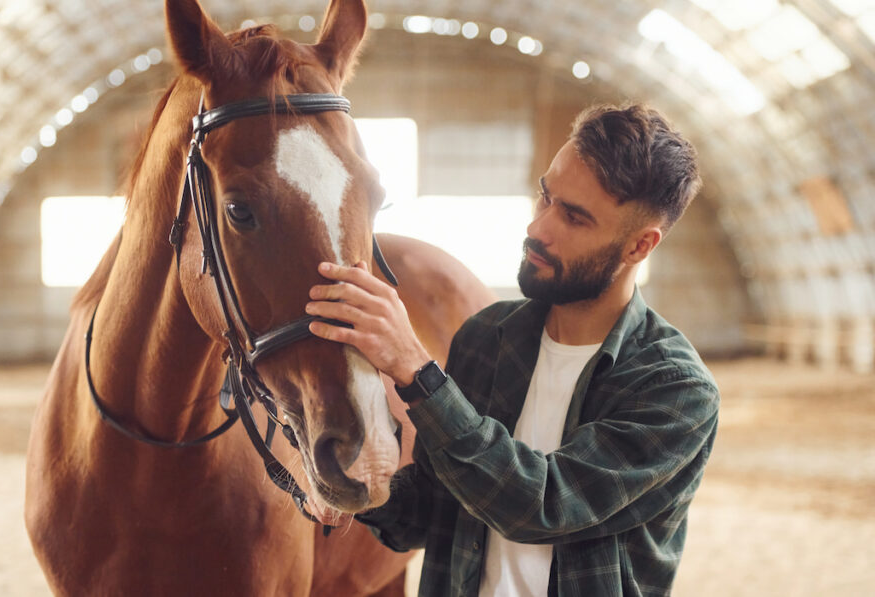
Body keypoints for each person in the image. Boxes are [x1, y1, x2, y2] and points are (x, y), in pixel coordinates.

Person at [304, 103, 720, 597]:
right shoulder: (485, 339)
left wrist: (416, 370)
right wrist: (345, 487)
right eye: (546, 196)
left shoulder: (675, 390)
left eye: (574, 217)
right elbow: (438, 513)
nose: (538, 229)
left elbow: (543, 505)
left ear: (638, 247)